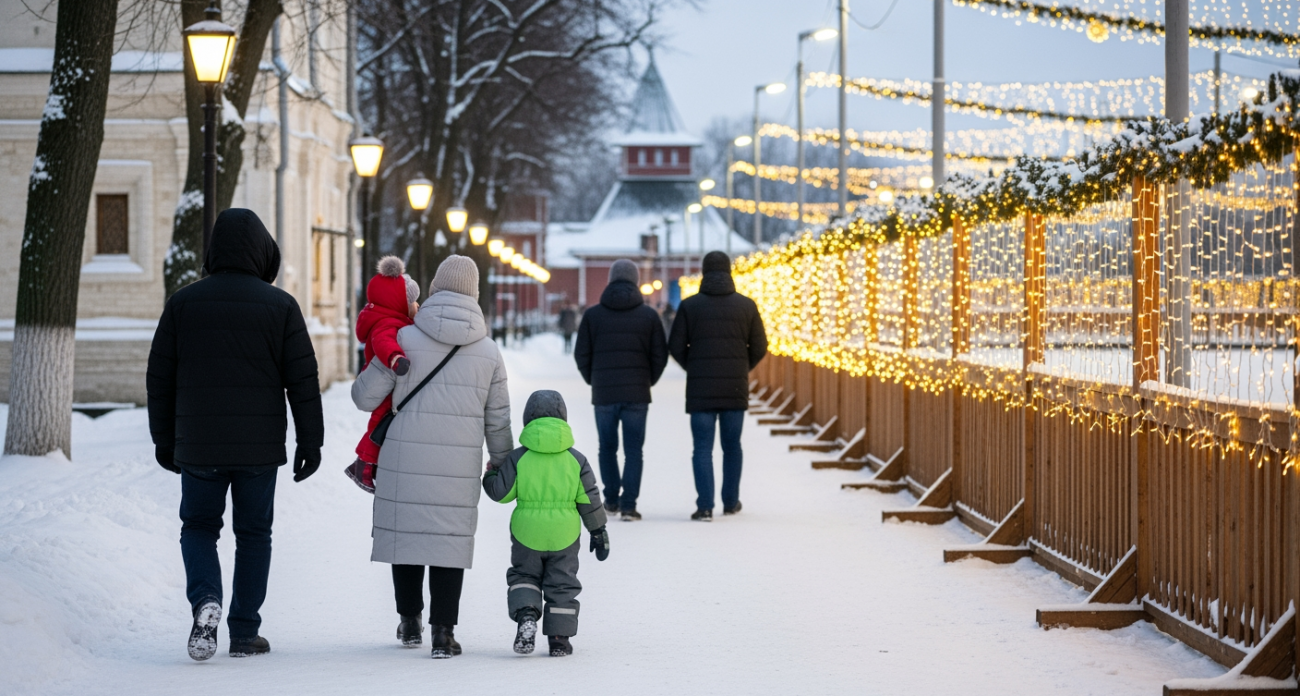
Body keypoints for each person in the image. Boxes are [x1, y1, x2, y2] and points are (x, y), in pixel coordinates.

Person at [146, 208, 323, 661]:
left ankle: (206, 597)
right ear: (263, 252)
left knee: (199, 526)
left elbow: (159, 378)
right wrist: (310, 441)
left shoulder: (183, 303)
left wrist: (163, 439)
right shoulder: (281, 306)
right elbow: (302, 380)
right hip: (259, 448)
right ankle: (244, 631)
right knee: (254, 533)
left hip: (198, 444)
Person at [351, 254, 513, 659]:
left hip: (402, 459)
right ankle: (444, 632)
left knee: (406, 535)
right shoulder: (489, 352)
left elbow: (364, 397)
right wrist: (501, 462)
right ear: (474, 294)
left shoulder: (403, 340)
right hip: (458, 466)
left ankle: (409, 622)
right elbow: (498, 419)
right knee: (448, 540)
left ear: (435, 288)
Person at [483, 390, 610, 657]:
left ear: (527, 419)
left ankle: (527, 615)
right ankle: (559, 639)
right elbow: (589, 499)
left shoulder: (518, 457)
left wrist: (491, 474)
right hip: (565, 534)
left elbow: (501, 494)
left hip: (527, 532)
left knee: (525, 576)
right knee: (562, 583)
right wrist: (598, 531)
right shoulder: (576, 459)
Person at [668, 251, 767, 521]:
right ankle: (731, 502)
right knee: (732, 446)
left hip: (700, 389)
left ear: (704, 272)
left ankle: (705, 506)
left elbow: (675, 346)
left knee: (702, 448)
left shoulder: (689, 306)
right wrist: (741, 367)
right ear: (728, 271)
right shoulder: (747, 305)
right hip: (735, 388)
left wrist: (694, 367)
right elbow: (760, 346)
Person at [573, 259, 668, 521]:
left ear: (610, 280)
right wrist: (647, 381)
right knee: (634, 450)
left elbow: (581, 354)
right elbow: (660, 355)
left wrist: (594, 380)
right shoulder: (649, 316)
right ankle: (629, 505)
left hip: (604, 394)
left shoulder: (593, 315)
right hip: (637, 394)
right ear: (636, 281)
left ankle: (612, 499)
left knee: (607, 448)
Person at [344, 256, 421, 493]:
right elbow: (383, 342)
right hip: (386, 376)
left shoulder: (389, 318)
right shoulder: (387, 324)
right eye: (413, 302)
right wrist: (396, 359)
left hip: (386, 377)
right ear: (399, 303)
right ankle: (363, 465)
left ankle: (367, 464)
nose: (418, 306)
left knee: (382, 422)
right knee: (380, 421)